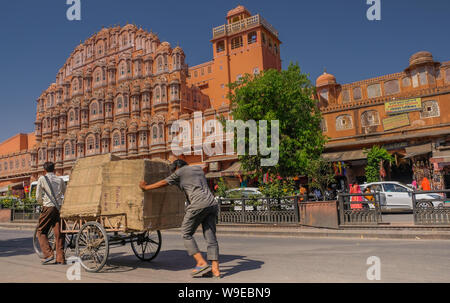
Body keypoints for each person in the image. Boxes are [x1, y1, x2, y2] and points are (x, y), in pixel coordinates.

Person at [139, 159, 221, 279]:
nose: (173, 173)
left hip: (198, 204)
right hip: (212, 204)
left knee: (186, 233)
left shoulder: (180, 172)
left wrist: (146, 187)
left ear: (177, 167)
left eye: (173, 171)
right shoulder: (198, 169)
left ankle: (201, 262)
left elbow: (163, 182)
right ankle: (215, 269)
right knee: (210, 236)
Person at [36, 162, 66, 265]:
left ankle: (48, 254)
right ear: (54, 169)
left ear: (44, 170)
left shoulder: (42, 179)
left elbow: (38, 196)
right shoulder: (60, 179)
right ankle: (60, 257)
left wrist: (41, 204)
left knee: (41, 231)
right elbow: (64, 193)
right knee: (59, 233)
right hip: (59, 208)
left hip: (48, 207)